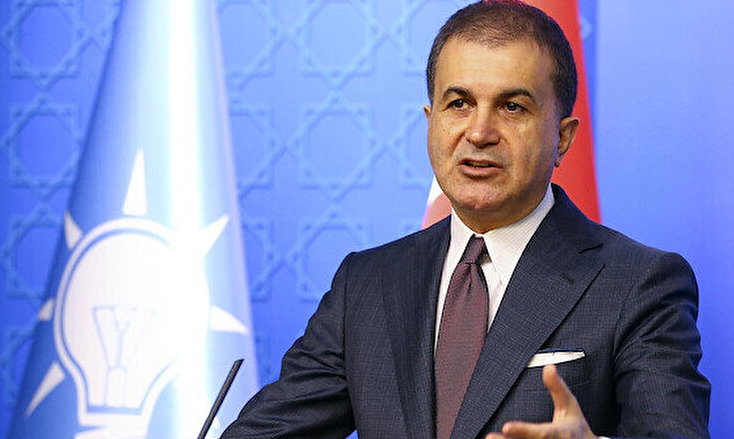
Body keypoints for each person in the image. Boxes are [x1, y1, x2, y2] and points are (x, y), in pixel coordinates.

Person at [221, 1, 710, 438]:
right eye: (459, 104)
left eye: (512, 107)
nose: (479, 132)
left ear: (562, 138)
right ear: (430, 120)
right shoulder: (367, 284)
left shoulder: (639, 284)